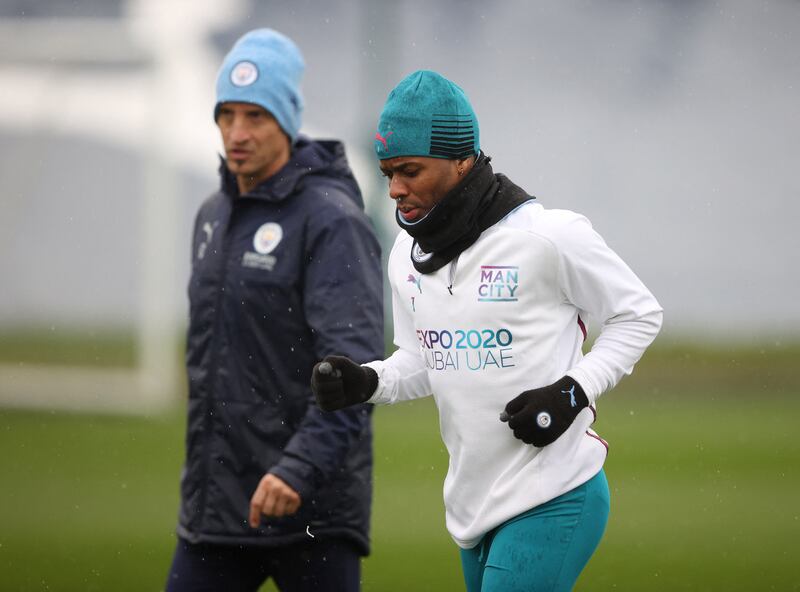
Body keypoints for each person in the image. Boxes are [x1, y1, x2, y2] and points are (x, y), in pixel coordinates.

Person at [311, 70, 663, 592]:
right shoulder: (405, 254)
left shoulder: (548, 236)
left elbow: (638, 315)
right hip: (472, 505)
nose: (395, 190)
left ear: (461, 160)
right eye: (387, 173)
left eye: (409, 170)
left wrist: (572, 391)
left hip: (555, 495)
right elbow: (426, 357)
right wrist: (370, 381)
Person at [166, 29, 384, 592]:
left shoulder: (331, 220)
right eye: (227, 115)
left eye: (256, 117)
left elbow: (354, 369)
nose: (237, 134)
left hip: (309, 506)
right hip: (218, 506)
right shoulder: (214, 215)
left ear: (286, 120)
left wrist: (298, 468)